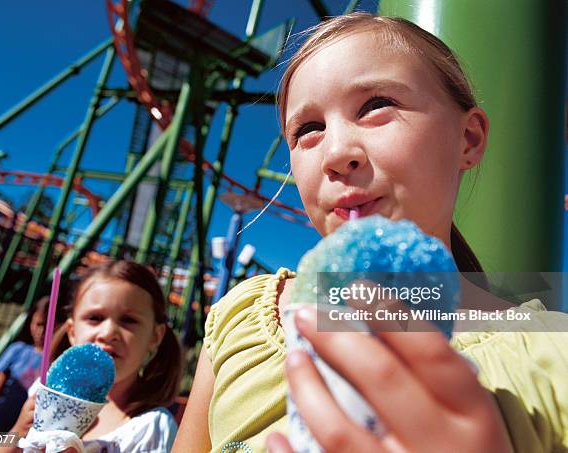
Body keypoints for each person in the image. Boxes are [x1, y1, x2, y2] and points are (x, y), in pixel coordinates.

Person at [174, 12, 568, 453]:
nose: (337, 153)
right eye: (308, 130)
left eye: (376, 105)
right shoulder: (240, 318)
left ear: (469, 139)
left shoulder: (554, 359)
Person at [0, 260, 182, 453]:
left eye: (129, 320)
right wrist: (19, 431)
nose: (108, 332)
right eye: (95, 318)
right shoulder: (43, 392)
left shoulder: (150, 428)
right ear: (72, 331)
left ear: (155, 337)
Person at [0, 297, 49, 453]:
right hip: (4, 413)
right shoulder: (18, 349)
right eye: (38, 324)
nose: (42, 331)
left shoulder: (55, 361)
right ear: (30, 323)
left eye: (49, 325)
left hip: (28, 421)